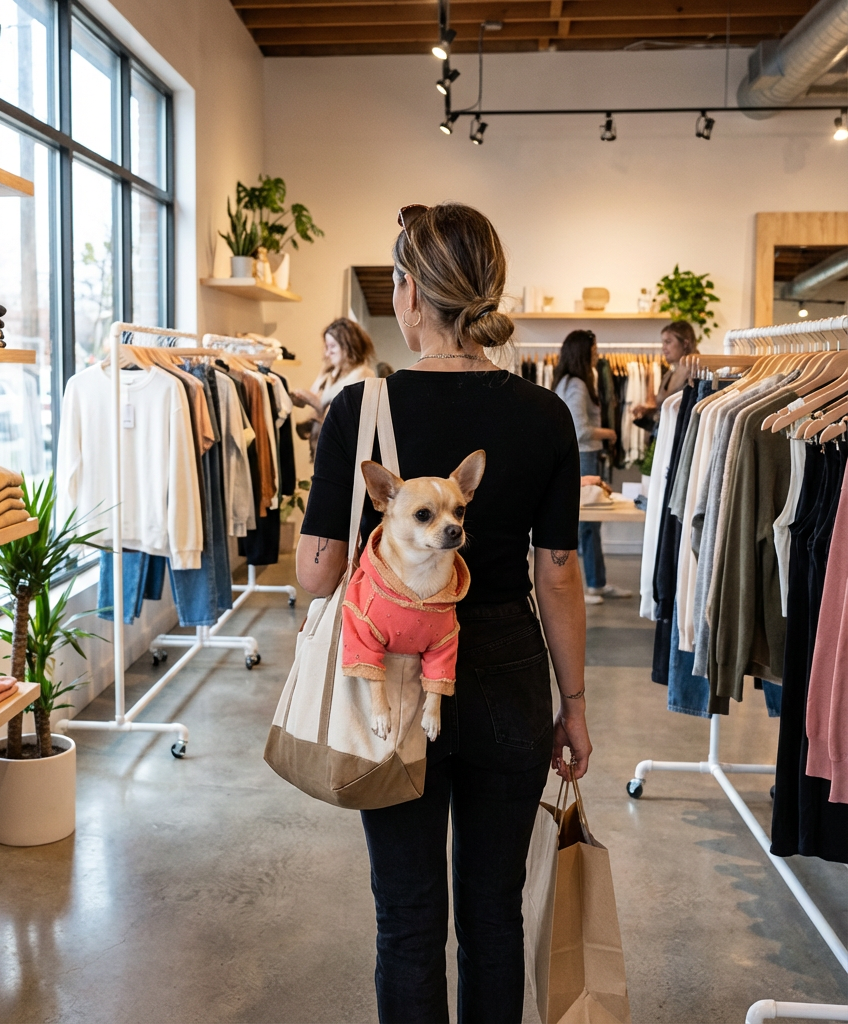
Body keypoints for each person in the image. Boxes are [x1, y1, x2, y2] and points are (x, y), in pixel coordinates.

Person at [297, 203, 591, 1024]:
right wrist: (572, 703)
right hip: (506, 668)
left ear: (409, 294)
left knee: (408, 913)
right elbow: (558, 573)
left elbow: (318, 569)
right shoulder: (543, 414)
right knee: (494, 912)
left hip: (391, 663)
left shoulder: (360, 409)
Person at [551, 330, 631, 606]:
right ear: (582, 353)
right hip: (584, 455)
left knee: (588, 524)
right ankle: (590, 586)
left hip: (580, 456)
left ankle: (597, 583)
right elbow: (580, 429)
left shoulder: (566, 381)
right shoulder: (578, 385)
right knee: (586, 524)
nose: (597, 356)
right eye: (594, 351)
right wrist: (609, 433)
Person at [292, 317, 376, 459]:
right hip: (327, 450)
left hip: (345, 454)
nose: (327, 353)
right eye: (326, 347)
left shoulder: (362, 376)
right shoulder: (331, 374)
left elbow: (346, 419)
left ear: (348, 347)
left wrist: (314, 401)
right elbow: (317, 397)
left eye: (332, 347)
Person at [631, 319, 699, 424]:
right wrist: (649, 410)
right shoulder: (670, 373)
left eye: (668, 342)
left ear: (685, 343)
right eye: (663, 343)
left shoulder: (696, 373)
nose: (664, 348)